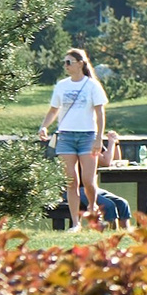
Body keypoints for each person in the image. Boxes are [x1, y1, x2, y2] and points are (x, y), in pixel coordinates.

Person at [36, 48, 107, 231]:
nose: (65, 66)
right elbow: (54, 110)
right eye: (64, 62)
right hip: (66, 136)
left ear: (80, 63)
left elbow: (100, 113)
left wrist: (99, 138)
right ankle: (76, 223)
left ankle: (92, 208)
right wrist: (44, 126)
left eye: (69, 62)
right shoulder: (62, 85)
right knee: (71, 181)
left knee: (88, 181)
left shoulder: (92, 85)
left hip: (87, 136)